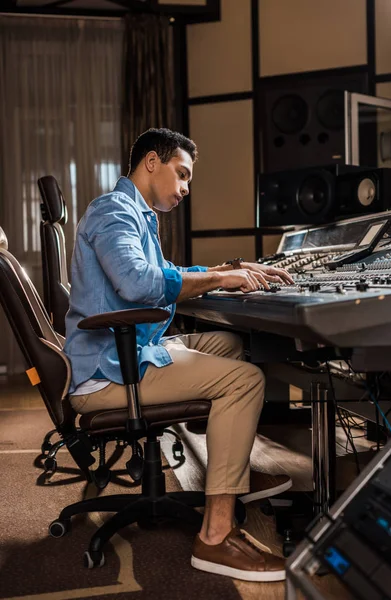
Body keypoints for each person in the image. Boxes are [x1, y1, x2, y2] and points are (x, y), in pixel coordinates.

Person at [64, 128, 295, 582]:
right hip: (108, 373)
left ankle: (228, 473)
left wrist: (229, 270)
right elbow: (138, 283)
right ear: (152, 161)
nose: (187, 187)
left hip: (124, 353)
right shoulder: (112, 212)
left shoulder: (135, 214)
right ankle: (216, 534)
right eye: (183, 174)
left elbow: (163, 273)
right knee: (244, 381)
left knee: (229, 344)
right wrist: (218, 282)